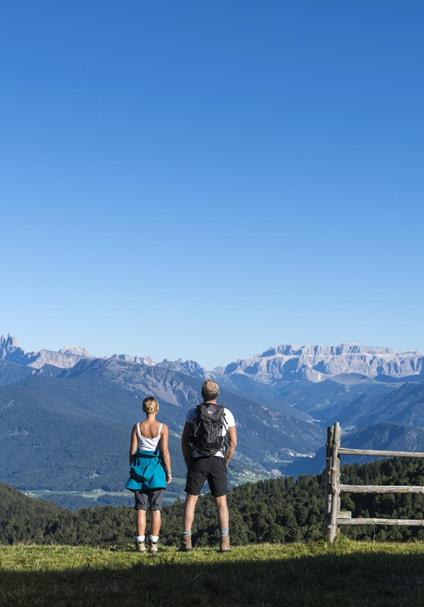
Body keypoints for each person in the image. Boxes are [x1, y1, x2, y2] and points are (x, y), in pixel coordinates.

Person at [181, 379, 237, 552]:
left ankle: (186, 541)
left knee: (191, 501)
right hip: (218, 459)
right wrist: (225, 461)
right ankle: (225, 542)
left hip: (198, 460)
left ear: (202, 394)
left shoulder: (193, 412)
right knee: (221, 503)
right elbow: (233, 442)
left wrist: (189, 461)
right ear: (217, 394)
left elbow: (184, 441)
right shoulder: (226, 413)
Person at [126, 396, 172, 554]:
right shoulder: (162, 428)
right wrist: (168, 471)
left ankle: (140, 543)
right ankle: (153, 543)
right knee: (156, 509)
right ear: (157, 409)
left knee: (141, 509)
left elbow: (132, 451)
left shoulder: (137, 427)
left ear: (144, 409)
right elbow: (165, 451)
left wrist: (133, 467)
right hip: (156, 472)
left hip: (140, 471)